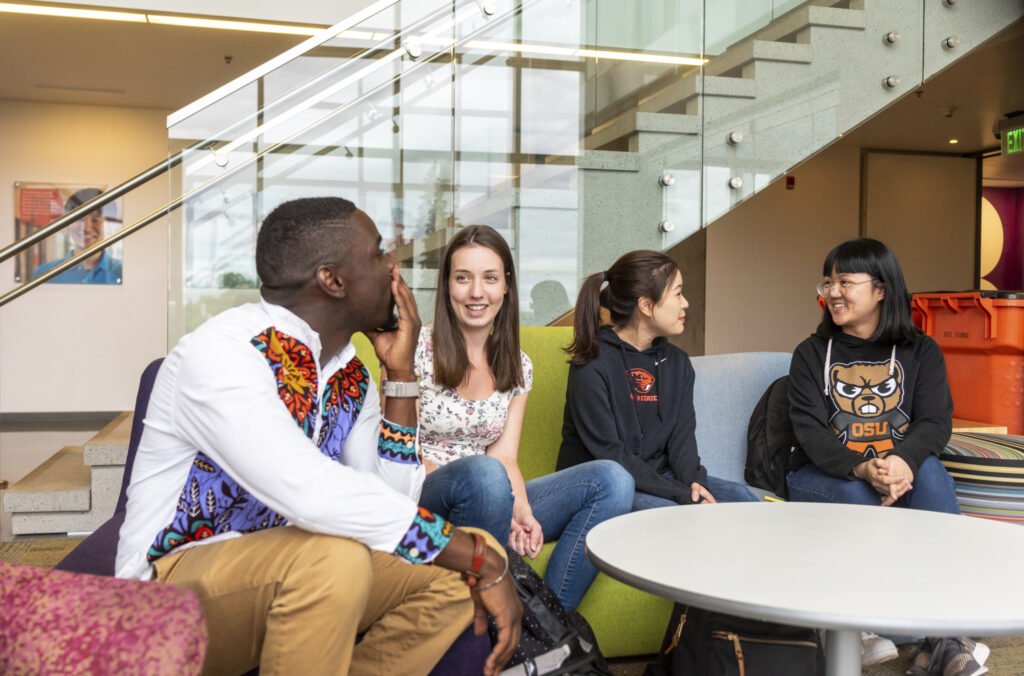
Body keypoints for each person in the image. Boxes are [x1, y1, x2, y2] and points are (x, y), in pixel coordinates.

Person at [115, 197, 521, 676]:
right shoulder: (222, 352)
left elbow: (391, 498)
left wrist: (400, 375)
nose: (394, 266)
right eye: (378, 254)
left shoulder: (348, 371)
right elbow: (307, 489)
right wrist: (468, 555)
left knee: (466, 561)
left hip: (301, 566)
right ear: (333, 279)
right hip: (170, 591)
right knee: (341, 558)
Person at [787, 237, 988, 673]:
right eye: (828, 281)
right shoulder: (809, 355)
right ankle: (858, 621)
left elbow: (935, 422)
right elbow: (809, 434)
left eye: (846, 281)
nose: (833, 292)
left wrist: (901, 461)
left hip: (895, 473)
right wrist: (861, 466)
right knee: (862, 499)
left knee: (931, 473)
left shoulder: (921, 351)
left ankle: (945, 636)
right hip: (822, 477)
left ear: (881, 289)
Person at [413, 225, 634, 613]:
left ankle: (543, 620)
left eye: (490, 278)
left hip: (492, 486)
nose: (477, 292)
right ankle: (497, 620)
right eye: (463, 278)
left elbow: (506, 457)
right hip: (425, 493)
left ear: (506, 287)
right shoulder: (416, 350)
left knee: (612, 480)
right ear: (447, 285)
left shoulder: (518, 365)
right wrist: (494, 494)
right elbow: (401, 451)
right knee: (483, 475)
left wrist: (521, 512)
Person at [558, 250, 757, 509]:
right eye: (677, 293)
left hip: (661, 477)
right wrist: (678, 493)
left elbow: (682, 439)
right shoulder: (592, 363)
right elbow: (610, 454)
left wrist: (695, 482)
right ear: (646, 305)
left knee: (743, 501)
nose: (685, 303)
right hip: (608, 486)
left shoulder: (677, 362)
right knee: (670, 515)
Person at [32, 187, 123, 284]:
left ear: (108, 226)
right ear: (68, 224)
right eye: (79, 219)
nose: (86, 228)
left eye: (95, 220)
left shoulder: (122, 272)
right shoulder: (44, 274)